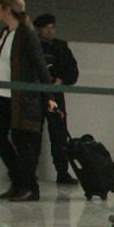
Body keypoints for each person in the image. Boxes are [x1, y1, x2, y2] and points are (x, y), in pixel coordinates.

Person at [0, 0, 52, 202]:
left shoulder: (26, 34)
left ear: (7, 9)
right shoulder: (5, 33)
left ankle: (29, 186)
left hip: (21, 97)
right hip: (1, 95)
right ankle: (18, 180)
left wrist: (49, 95)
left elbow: (40, 65)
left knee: (22, 140)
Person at [34, 14, 81, 186]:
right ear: (38, 29)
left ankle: (62, 172)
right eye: (46, 27)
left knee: (59, 135)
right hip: (35, 95)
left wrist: (61, 80)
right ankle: (30, 172)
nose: (50, 31)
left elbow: (73, 72)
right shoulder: (33, 45)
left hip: (55, 95)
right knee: (33, 135)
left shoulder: (61, 47)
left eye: (52, 27)